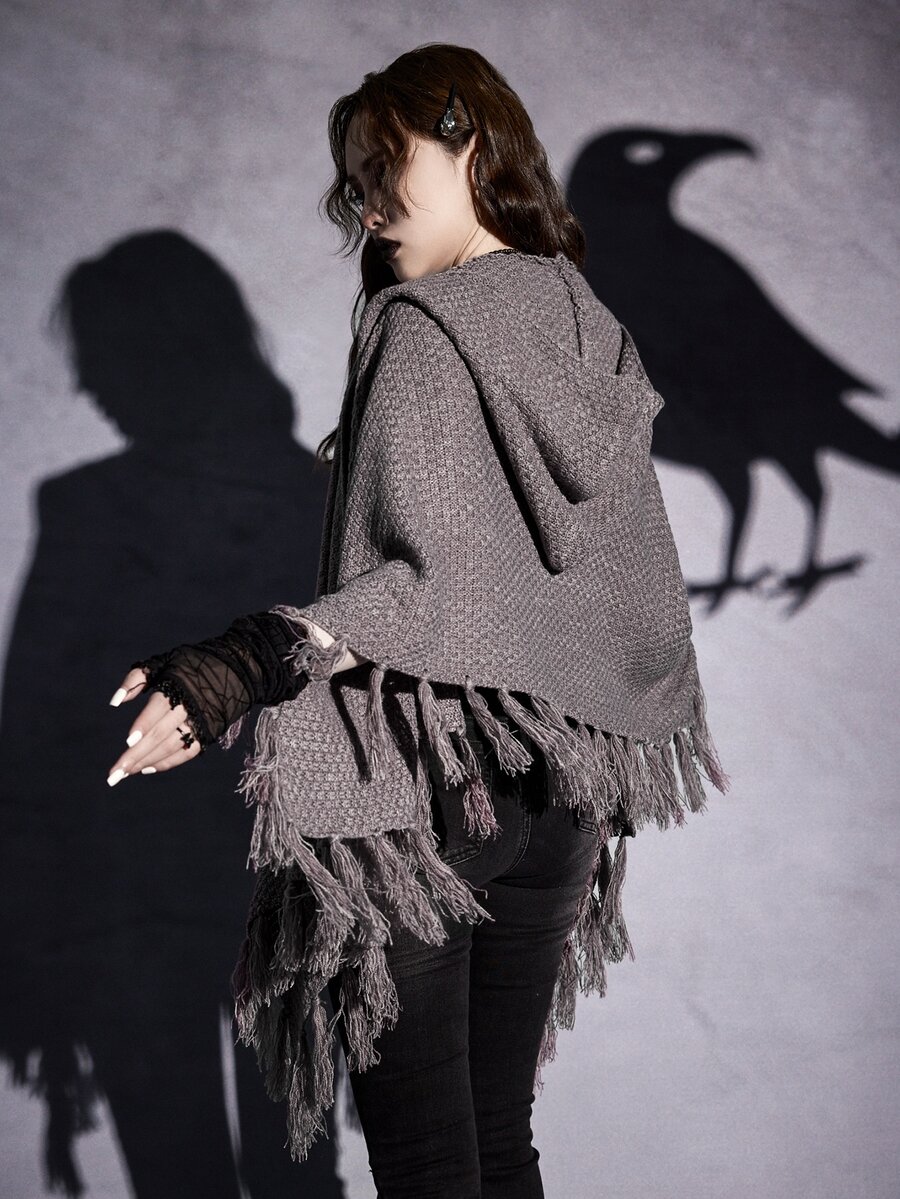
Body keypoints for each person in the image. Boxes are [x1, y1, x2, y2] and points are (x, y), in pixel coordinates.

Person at [106, 43, 729, 1199]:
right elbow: (629, 593)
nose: (368, 204)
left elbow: (425, 590)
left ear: (467, 142)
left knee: (432, 1161)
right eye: (354, 181)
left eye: (384, 166)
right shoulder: (588, 323)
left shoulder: (421, 329)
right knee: (500, 1139)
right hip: (563, 801)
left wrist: (240, 665)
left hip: (435, 794)